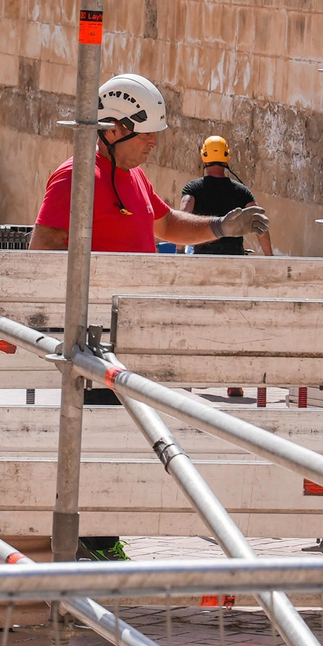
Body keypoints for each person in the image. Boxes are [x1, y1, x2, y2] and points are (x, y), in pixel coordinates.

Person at [30, 74, 268, 558]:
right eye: (146, 135)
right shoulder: (75, 177)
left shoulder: (133, 177)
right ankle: (86, 545)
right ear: (114, 129)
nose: (154, 144)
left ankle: (99, 540)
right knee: (96, 445)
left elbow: (167, 223)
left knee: (123, 443)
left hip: (126, 343)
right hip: (89, 343)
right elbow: (43, 251)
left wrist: (224, 225)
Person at [180, 137, 273, 257]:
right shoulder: (241, 191)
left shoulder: (193, 189)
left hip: (203, 258)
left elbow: (183, 216)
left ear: (204, 157)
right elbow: (259, 221)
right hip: (234, 258)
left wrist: (179, 251)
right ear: (226, 158)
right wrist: (269, 257)